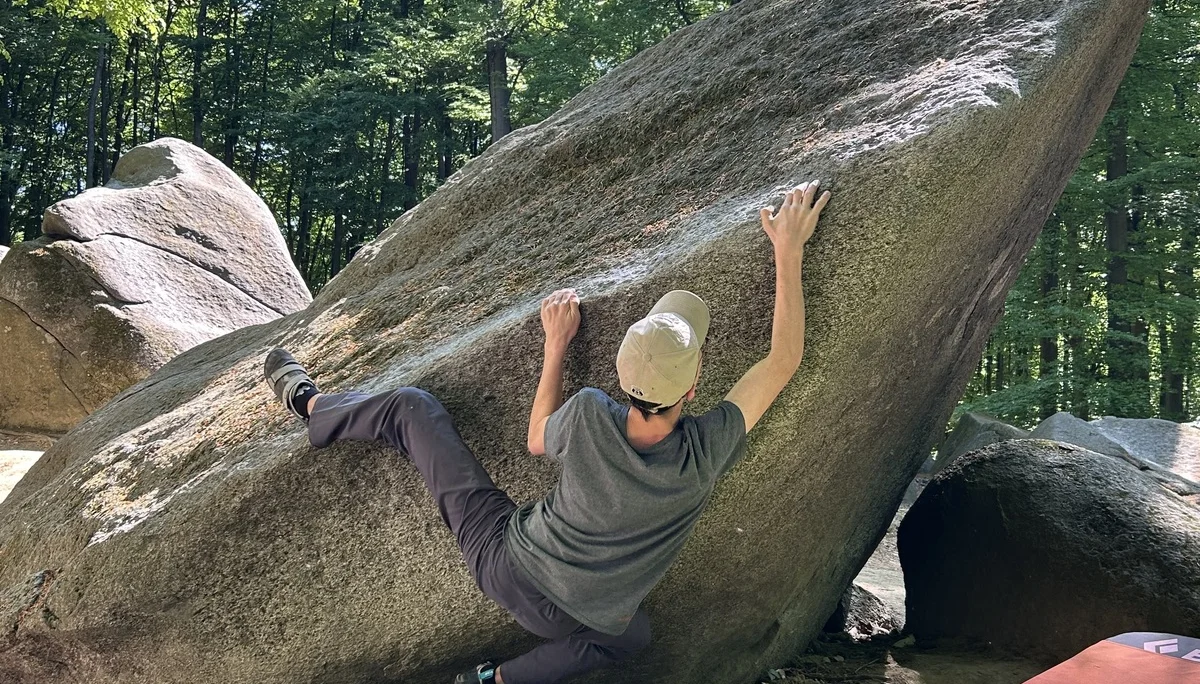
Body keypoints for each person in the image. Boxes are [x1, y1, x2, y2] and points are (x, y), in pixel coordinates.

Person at [263, 180, 830, 684]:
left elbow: (536, 438)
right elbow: (782, 361)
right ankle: (498, 680)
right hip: (576, 618)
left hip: (507, 565)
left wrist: (555, 346)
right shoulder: (704, 454)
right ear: (694, 381)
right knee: (631, 636)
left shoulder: (589, 413)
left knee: (412, 408)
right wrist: (788, 252)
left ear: (622, 372)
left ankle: (312, 405)